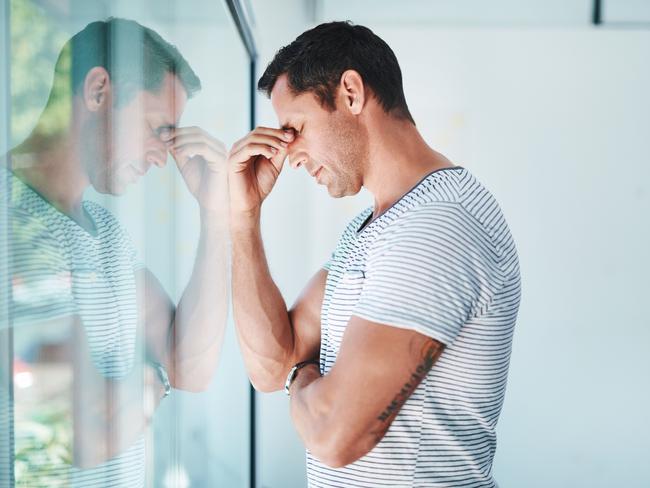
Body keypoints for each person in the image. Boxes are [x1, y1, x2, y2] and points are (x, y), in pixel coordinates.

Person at [229, 21, 521, 487]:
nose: (290, 155)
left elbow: (334, 434)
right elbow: (269, 365)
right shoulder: (372, 229)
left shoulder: (437, 226)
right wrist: (243, 218)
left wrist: (301, 376)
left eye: (295, 128)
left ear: (350, 92)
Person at [1, 18, 228, 486]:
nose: (162, 156)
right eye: (156, 129)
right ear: (99, 91)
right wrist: (156, 375)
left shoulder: (105, 231)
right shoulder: (14, 224)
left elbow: (191, 365)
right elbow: (86, 431)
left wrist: (216, 215)